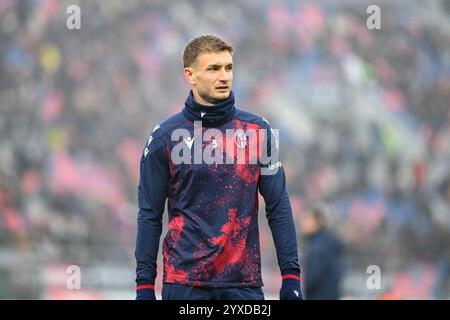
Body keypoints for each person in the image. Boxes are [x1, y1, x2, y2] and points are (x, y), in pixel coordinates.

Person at [135, 35, 302, 300]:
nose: (224, 76)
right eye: (213, 69)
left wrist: (291, 278)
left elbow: (278, 207)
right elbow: (149, 215)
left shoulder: (259, 132)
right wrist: (144, 287)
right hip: (184, 284)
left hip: (243, 285)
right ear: (190, 75)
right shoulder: (164, 138)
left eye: (228, 67)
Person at [300, 203, 344, 300]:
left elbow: (314, 277)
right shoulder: (328, 242)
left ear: (318, 221)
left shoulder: (318, 246)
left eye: (307, 219)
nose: (303, 223)